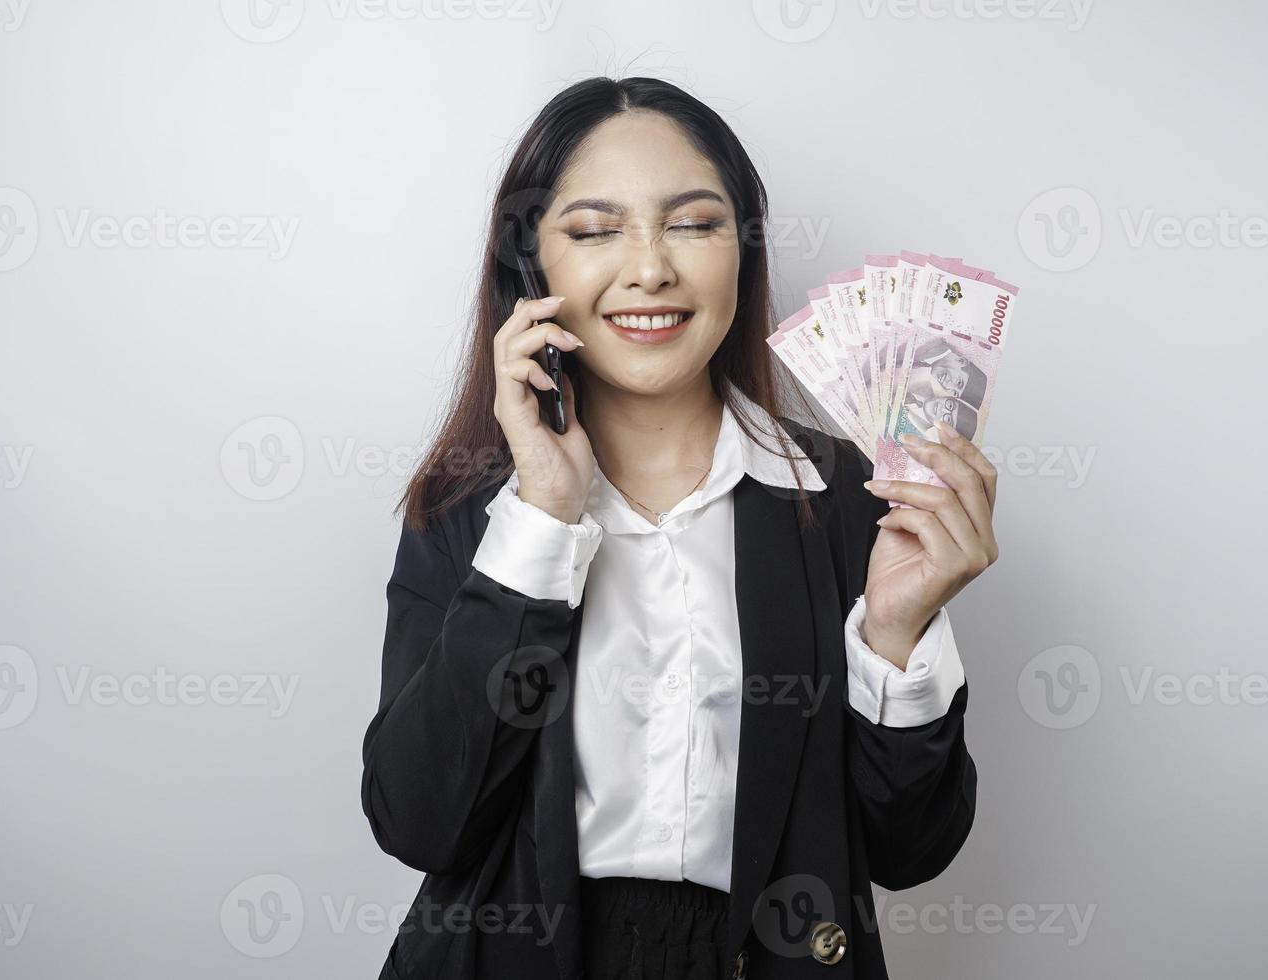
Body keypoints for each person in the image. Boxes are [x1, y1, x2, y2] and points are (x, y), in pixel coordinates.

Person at [362, 76, 997, 980]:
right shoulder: (473, 512)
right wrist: (542, 517)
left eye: (694, 224)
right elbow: (419, 820)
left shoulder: (852, 497)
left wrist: (897, 636)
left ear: (743, 250)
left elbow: (909, 850)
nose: (649, 268)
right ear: (532, 266)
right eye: (592, 231)